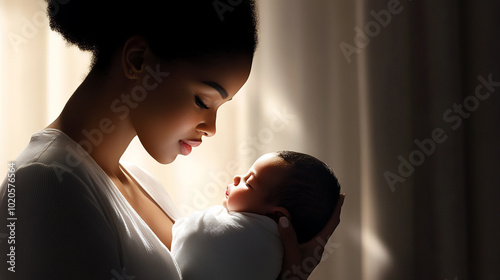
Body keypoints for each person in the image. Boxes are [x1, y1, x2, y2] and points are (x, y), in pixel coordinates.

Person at [0, 0, 344, 279]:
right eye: (203, 100)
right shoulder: (45, 180)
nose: (210, 127)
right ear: (138, 61)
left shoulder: (141, 183)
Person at [171, 151, 341, 280]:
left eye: (249, 182)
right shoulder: (279, 257)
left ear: (276, 215)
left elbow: (186, 233)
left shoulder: (235, 233)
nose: (237, 178)